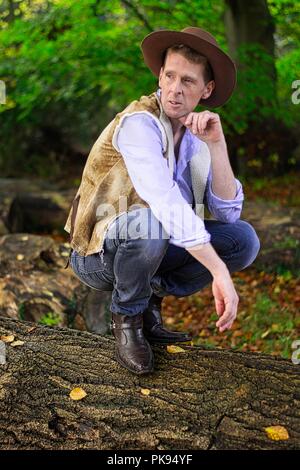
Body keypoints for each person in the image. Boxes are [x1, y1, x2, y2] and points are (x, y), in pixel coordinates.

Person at [64, 27, 260, 375]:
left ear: (207, 89)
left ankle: (149, 300)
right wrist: (217, 272)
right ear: (160, 74)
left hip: (150, 247)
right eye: (169, 75)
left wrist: (216, 145)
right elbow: (164, 201)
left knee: (243, 240)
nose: (174, 88)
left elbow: (230, 213)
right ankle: (127, 318)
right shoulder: (139, 123)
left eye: (187, 80)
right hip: (96, 252)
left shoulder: (198, 136)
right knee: (150, 223)